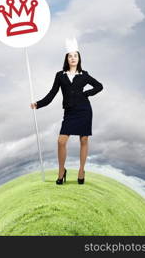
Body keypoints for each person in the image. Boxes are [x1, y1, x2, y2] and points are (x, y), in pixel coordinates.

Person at [30, 37, 103, 185]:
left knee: (84, 140)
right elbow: (52, 94)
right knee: (61, 141)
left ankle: (81, 171)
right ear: (67, 59)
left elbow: (99, 86)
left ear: (79, 58)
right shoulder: (60, 76)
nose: (73, 58)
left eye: (75, 56)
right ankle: (61, 171)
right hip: (70, 112)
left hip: (84, 110)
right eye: (70, 56)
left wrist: (86, 94)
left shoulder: (84, 75)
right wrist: (38, 104)